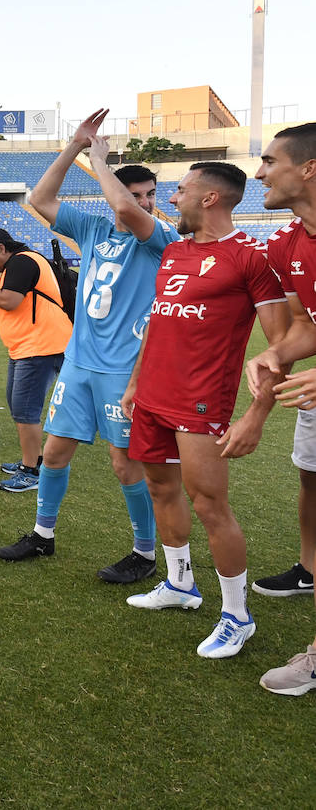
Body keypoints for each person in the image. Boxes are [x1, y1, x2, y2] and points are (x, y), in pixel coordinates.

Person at [0, 111, 177, 581]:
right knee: (54, 454)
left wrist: (101, 162)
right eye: (137, 195)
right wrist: (76, 146)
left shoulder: (161, 238)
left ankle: (144, 551)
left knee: (123, 463)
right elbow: (40, 198)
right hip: (78, 361)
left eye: (150, 196)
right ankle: (43, 534)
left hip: (122, 370)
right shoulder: (95, 228)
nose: (144, 203)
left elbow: (131, 216)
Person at [121, 162, 288, 659]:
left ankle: (237, 616)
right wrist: (135, 382)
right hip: (151, 396)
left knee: (211, 506)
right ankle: (180, 584)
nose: (172, 199)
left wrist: (256, 415)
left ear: (211, 198)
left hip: (201, 401)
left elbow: (281, 344)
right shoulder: (173, 251)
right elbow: (158, 322)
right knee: (159, 486)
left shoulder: (250, 258)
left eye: (180, 190)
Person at [243, 122, 316, 690]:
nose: (259, 173)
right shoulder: (290, 242)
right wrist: (275, 355)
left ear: (308, 168)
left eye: (269, 161)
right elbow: (301, 326)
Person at [0, 228, 72, 493]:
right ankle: (33, 460)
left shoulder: (22, 261)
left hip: (41, 345)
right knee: (18, 406)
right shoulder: (13, 267)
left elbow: (10, 301)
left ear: (2, 248)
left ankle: (31, 472)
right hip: (26, 346)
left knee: (25, 410)